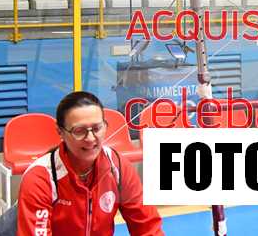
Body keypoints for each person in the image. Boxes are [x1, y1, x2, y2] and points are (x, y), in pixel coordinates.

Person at [16, 91, 164, 235]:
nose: (91, 138)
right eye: (79, 131)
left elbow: (148, 227)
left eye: (97, 128)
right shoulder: (41, 178)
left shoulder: (117, 167)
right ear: (60, 132)